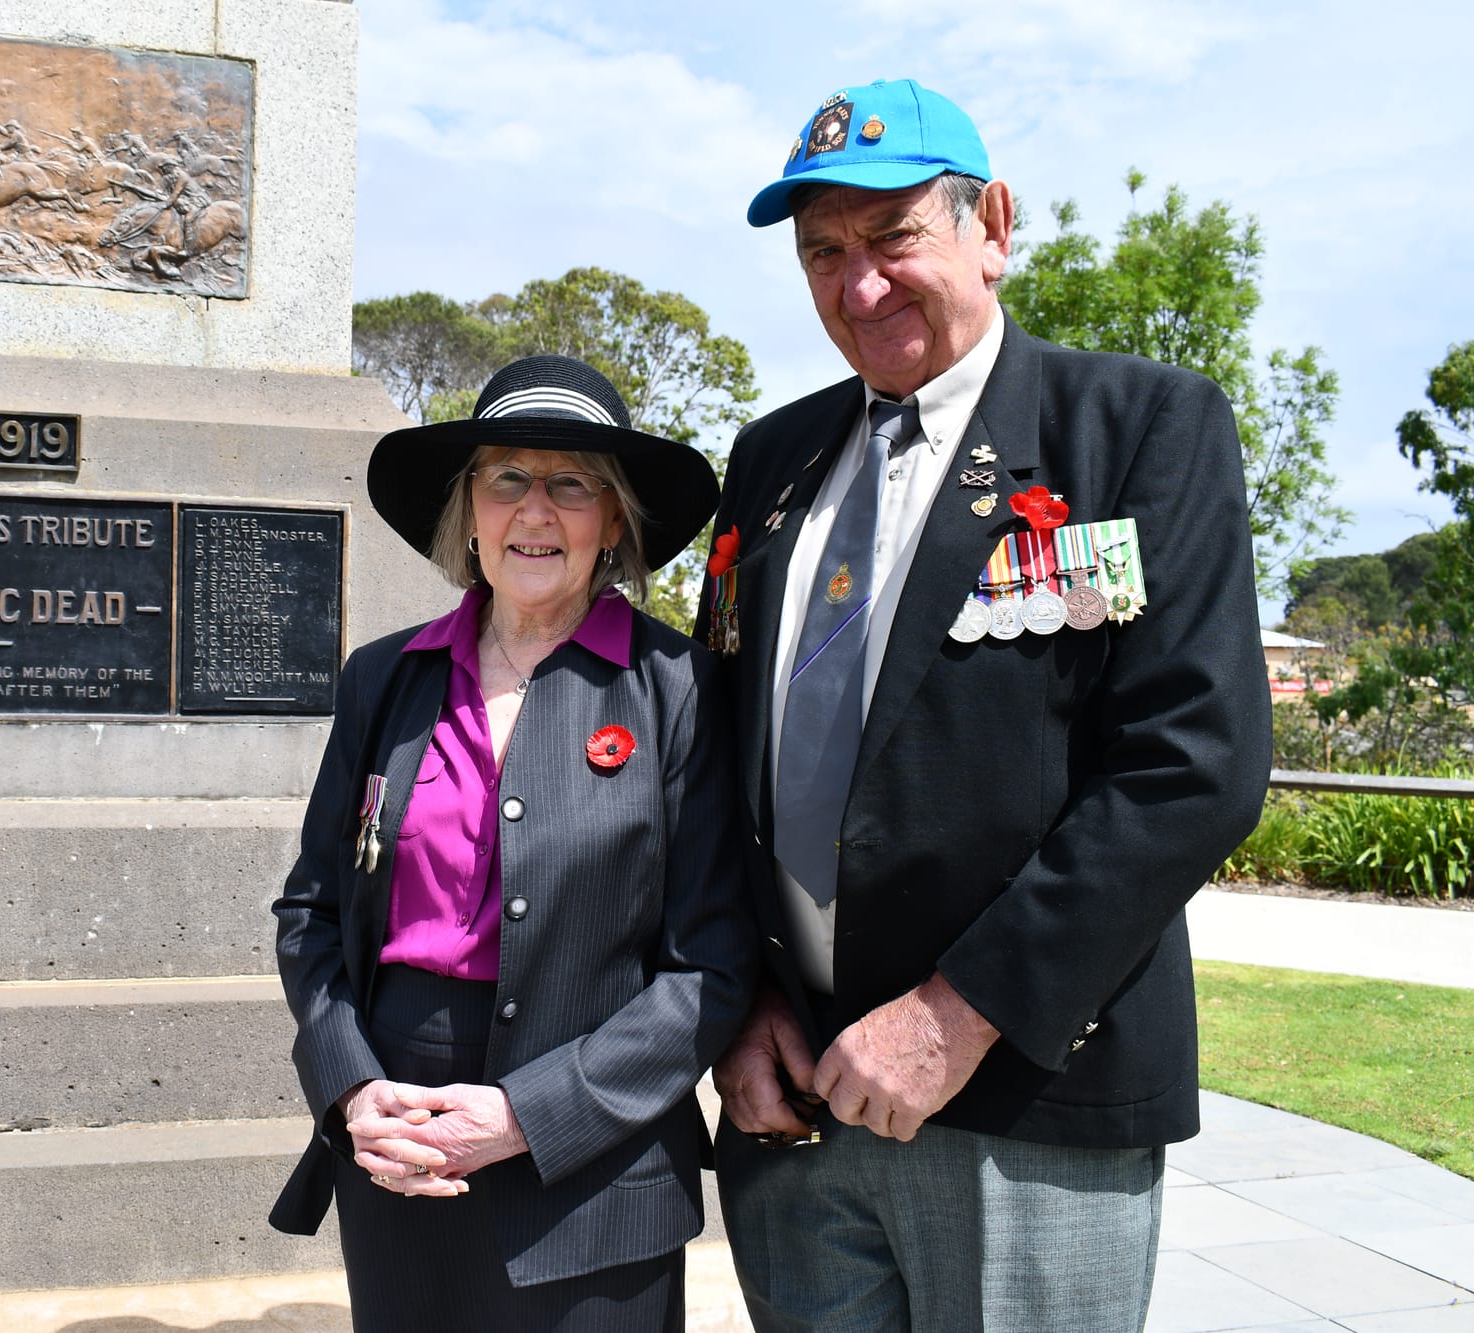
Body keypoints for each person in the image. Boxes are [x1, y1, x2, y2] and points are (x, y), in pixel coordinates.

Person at [695, 79, 1271, 1331]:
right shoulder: (770, 463)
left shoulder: (1134, 428)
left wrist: (962, 1013)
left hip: (1021, 1100)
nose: (858, 287)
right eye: (823, 253)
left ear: (990, 224)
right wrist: (734, 1005)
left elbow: (1192, 764)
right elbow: (713, 760)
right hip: (787, 1108)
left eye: (893, 236)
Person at [269, 355, 756, 1331]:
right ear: (468, 511)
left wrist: (530, 1114)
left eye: (570, 482)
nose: (534, 509)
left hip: (595, 1167)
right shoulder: (383, 681)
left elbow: (711, 963)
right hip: (399, 1158)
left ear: (612, 520)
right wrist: (350, 1086)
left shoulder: (680, 691)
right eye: (505, 478)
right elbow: (311, 911)